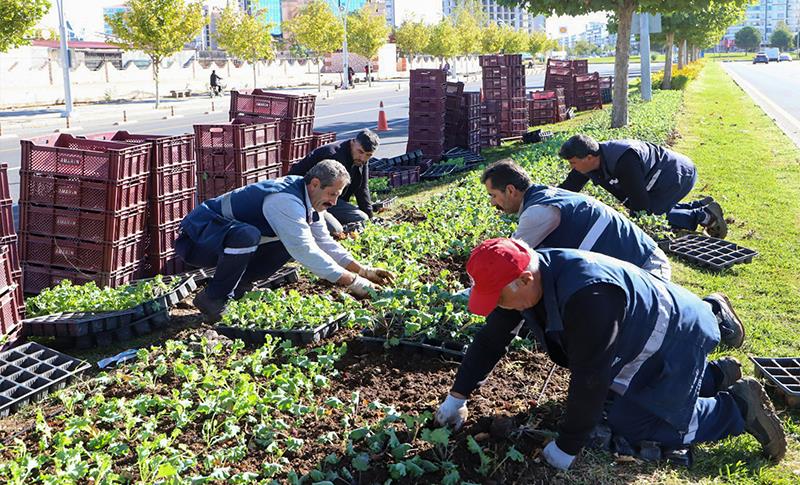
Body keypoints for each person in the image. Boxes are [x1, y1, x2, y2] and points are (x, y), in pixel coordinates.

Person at [435, 238, 785, 471]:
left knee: (633, 424)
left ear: (525, 279)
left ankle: (736, 408)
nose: (497, 306)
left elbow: (591, 377)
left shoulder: (587, 297)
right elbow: (490, 341)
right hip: (647, 334)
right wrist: (457, 397)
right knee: (623, 396)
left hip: (676, 335)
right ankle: (713, 376)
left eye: (498, 298)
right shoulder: (529, 278)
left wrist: (567, 447)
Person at [176, 160, 394, 321]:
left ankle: (237, 288)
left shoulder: (308, 198)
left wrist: (364, 271)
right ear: (315, 183)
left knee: (285, 242)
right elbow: (305, 251)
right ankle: (213, 298)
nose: (335, 202)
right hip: (197, 241)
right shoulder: (285, 200)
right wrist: (353, 282)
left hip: (223, 240)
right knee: (249, 236)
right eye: (332, 194)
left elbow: (323, 242)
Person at [481, 159, 672, 280]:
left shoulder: (537, 212)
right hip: (643, 260)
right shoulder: (544, 195)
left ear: (511, 190)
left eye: (493, 195)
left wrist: (468, 293)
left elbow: (510, 262)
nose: (492, 203)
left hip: (648, 269)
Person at [557, 134, 728, 238]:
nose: (572, 167)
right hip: (662, 179)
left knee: (646, 217)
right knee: (640, 210)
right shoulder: (589, 161)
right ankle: (698, 206)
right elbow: (568, 188)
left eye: (573, 162)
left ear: (589, 157)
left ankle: (704, 216)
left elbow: (641, 208)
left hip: (678, 176)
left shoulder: (624, 161)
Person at [288, 129, 379, 236]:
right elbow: (321, 192)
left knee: (363, 218)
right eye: (360, 152)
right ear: (353, 142)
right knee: (343, 225)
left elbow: (362, 188)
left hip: (329, 198)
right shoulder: (333, 155)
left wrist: (371, 220)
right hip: (307, 197)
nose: (363, 158)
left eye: (368, 155)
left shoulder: (361, 160)